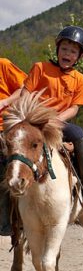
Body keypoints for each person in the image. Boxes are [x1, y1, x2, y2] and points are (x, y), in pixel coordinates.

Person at [20, 25, 83, 204]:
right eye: (64, 49)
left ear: (79, 56)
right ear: (57, 49)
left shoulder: (80, 80)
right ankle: (5, 204)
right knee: (9, 141)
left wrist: (56, 119)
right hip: (32, 119)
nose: (67, 54)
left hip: (58, 122)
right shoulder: (40, 68)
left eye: (73, 51)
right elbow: (25, 95)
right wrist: (31, 115)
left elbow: (74, 108)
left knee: (79, 134)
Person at [0, 58, 27, 236]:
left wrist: (4, 102)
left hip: (5, 126)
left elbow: (24, 88)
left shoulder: (3, 64)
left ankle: (5, 219)